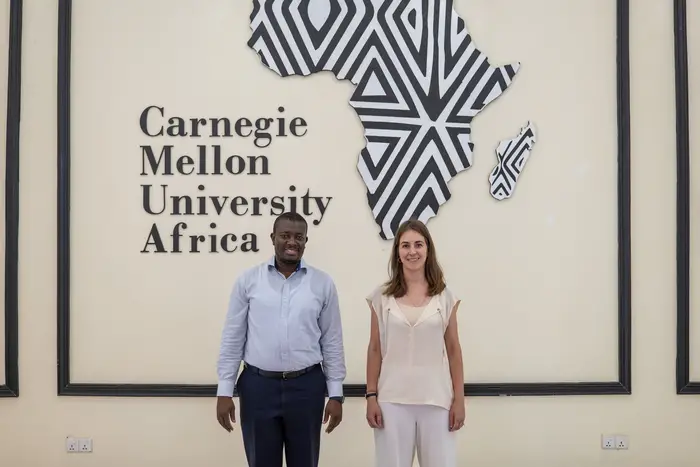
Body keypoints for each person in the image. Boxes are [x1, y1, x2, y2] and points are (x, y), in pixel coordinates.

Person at [216, 212, 346, 467]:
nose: (292, 242)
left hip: (307, 388)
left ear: (306, 241)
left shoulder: (322, 284)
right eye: (285, 235)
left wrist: (336, 393)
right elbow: (233, 338)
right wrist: (224, 389)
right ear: (273, 238)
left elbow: (332, 340)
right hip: (258, 388)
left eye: (298, 237)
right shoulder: (248, 281)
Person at [364, 218, 465, 467]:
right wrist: (371, 396)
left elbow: (453, 349)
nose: (412, 251)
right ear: (397, 252)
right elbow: (375, 348)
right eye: (405, 245)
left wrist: (459, 400)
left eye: (418, 245)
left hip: (437, 400)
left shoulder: (446, 296)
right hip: (391, 400)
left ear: (428, 250)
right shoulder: (381, 297)